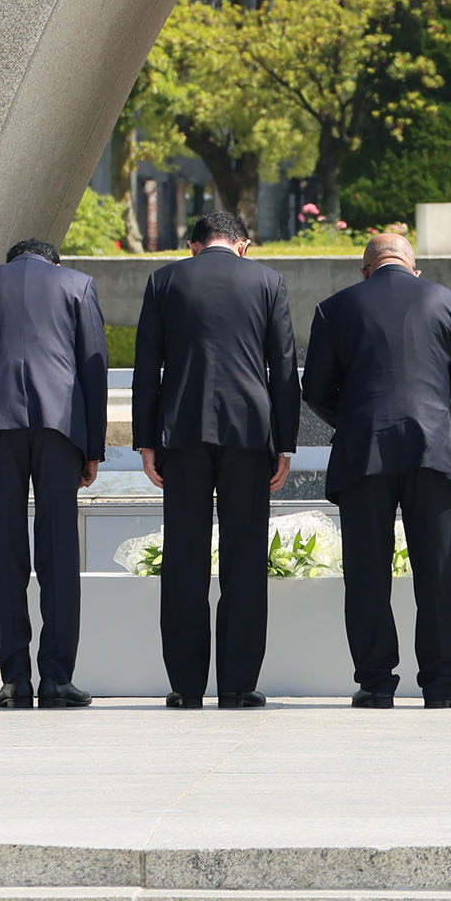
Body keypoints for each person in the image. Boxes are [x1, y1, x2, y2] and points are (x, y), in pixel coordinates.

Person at [302, 232, 451, 707]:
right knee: (437, 571)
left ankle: (376, 682)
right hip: (433, 450)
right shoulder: (450, 302)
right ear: (413, 267)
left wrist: (356, 419)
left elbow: (316, 388)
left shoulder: (335, 308)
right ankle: (442, 684)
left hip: (363, 453)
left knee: (366, 572)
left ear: (365, 269)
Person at [133, 209, 298, 709]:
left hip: (182, 431)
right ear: (243, 245)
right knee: (244, 559)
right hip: (249, 433)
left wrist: (146, 441)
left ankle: (186, 686)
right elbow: (284, 367)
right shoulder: (268, 281)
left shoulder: (164, 280)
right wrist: (284, 443)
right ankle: (238, 684)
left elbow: (147, 366)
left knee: (184, 558)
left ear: (193, 245)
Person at [0, 237, 108, 708]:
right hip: (60, 427)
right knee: (59, 551)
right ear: (53, 261)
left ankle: (14, 678)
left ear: (10, 259)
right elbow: (92, 369)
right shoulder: (77, 285)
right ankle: (57, 677)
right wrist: (92, 448)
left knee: (3, 552)